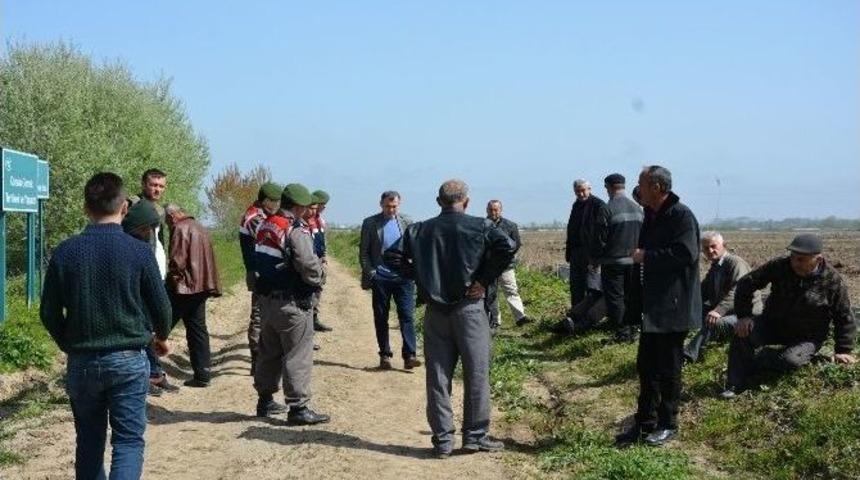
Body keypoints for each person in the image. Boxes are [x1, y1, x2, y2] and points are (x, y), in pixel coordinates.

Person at [41, 172, 171, 479]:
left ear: (86, 208)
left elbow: (48, 312)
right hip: (128, 358)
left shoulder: (65, 251)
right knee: (127, 442)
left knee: (88, 441)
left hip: (82, 361)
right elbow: (161, 308)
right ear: (124, 207)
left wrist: (69, 342)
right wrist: (160, 337)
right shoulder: (138, 251)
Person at [401, 179, 516, 459]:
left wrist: (422, 280)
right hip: (470, 308)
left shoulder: (418, 230)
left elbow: (393, 257)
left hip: (435, 312)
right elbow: (508, 247)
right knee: (477, 373)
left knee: (437, 376)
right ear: (466, 200)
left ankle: (442, 441)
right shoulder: (482, 226)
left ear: (439, 201)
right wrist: (483, 279)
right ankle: (475, 437)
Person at [616, 165, 701, 447]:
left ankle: (668, 423)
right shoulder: (651, 215)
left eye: (641, 183)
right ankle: (644, 423)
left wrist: (647, 256)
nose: (638, 189)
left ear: (657, 187)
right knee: (646, 367)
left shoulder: (681, 216)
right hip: (653, 308)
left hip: (673, 307)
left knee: (668, 369)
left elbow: (686, 253)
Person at [722, 234, 857, 398]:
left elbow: (844, 315)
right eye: (793, 257)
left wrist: (843, 350)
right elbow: (746, 283)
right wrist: (744, 316)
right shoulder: (780, 266)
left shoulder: (832, 280)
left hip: (807, 336)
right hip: (773, 324)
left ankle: (761, 360)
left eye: (801, 260)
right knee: (742, 333)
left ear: (817, 259)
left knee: (789, 360)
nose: (794, 263)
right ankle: (734, 384)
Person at [253, 184, 330, 424]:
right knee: (298, 355)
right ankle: (298, 408)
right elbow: (308, 265)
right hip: (292, 302)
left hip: (267, 301)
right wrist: (320, 278)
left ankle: (264, 400)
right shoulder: (296, 230)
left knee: (269, 352)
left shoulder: (265, 224)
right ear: (298, 206)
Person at [358, 191, 420, 370]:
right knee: (381, 317)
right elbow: (364, 253)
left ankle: (410, 355)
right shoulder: (370, 223)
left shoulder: (408, 222)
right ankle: (384, 355)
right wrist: (372, 273)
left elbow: (414, 249)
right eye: (388, 206)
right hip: (381, 279)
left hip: (404, 279)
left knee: (407, 316)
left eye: (394, 206)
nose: (391, 210)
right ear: (381, 204)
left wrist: (413, 269)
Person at [165, 203, 222, 387]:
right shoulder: (200, 227)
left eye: (167, 221)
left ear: (172, 216)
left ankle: (149, 373)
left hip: (184, 287)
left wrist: (171, 282)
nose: (167, 225)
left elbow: (177, 261)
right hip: (201, 286)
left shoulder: (180, 228)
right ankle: (203, 374)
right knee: (197, 329)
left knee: (159, 325)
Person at [129, 168, 175, 395]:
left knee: (153, 324)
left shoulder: (159, 210)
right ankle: (148, 375)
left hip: (158, 274)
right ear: (144, 184)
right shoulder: (134, 206)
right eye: (153, 184)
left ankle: (155, 373)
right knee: (144, 325)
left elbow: (159, 243)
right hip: (141, 276)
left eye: (160, 186)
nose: (156, 189)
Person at [683, 231, 761, 363]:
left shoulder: (735, 263)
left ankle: (688, 355)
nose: (710, 250)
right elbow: (702, 292)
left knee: (714, 322)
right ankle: (673, 344)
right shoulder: (716, 266)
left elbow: (738, 290)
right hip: (728, 311)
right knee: (692, 312)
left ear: (724, 245)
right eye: (706, 248)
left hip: (744, 315)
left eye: (714, 246)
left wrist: (718, 311)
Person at [591, 173, 643, 342]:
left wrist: (595, 260)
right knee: (632, 296)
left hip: (613, 263)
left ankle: (622, 333)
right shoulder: (638, 208)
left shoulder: (607, 209)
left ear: (609, 187)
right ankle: (633, 330)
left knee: (615, 298)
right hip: (635, 262)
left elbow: (599, 239)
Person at [239, 182, 283, 375]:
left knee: (264, 315)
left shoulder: (259, 214)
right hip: (258, 272)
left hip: (262, 271)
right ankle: (256, 361)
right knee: (258, 317)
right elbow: (268, 237)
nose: (277, 205)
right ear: (265, 201)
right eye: (274, 201)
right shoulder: (254, 217)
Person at [485, 200, 531, 330]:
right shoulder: (482, 225)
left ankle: (520, 317)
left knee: (511, 291)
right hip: (488, 266)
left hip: (506, 265)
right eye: (491, 210)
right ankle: (494, 320)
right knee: (491, 294)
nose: (493, 212)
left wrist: (506, 257)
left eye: (496, 209)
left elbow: (516, 244)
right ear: (487, 210)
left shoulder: (510, 225)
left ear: (500, 210)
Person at [565, 179, 605, 310]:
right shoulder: (576, 205)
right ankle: (576, 314)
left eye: (583, 190)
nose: (581, 194)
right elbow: (572, 229)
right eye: (577, 191)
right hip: (576, 252)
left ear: (589, 189)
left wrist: (598, 254)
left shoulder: (598, 205)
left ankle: (588, 317)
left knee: (591, 285)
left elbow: (602, 232)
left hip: (591, 253)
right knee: (576, 285)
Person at [308, 189, 333, 332]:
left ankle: (314, 319)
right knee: (310, 292)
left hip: (319, 260)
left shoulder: (319, 220)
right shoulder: (307, 220)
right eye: (322, 204)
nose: (324, 207)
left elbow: (321, 240)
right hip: (310, 261)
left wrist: (324, 256)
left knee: (317, 290)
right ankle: (308, 326)